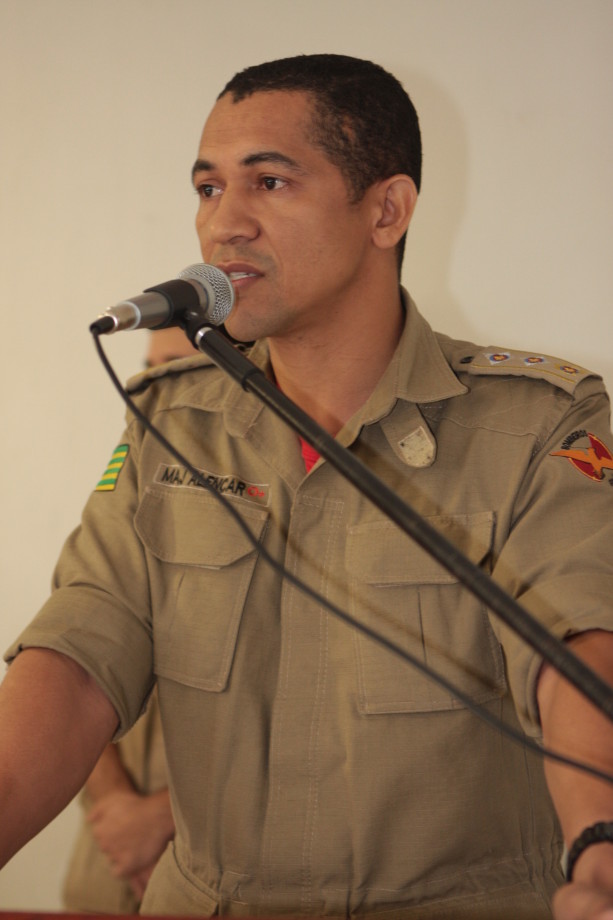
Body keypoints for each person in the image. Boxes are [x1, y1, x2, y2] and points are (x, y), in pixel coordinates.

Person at [1, 53, 613, 920]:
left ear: (386, 210)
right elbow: (76, 657)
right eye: (208, 188)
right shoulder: (171, 420)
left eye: (270, 182)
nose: (224, 224)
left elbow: (576, 649)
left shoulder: (538, 423)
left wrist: (598, 847)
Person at [62, 328, 196, 913]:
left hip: (214, 872)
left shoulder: (301, 513)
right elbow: (73, 670)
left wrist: (161, 818)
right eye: (147, 367)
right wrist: (118, 806)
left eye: (175, 367)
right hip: (106, 865)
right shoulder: (126, 505)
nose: (147, 388)